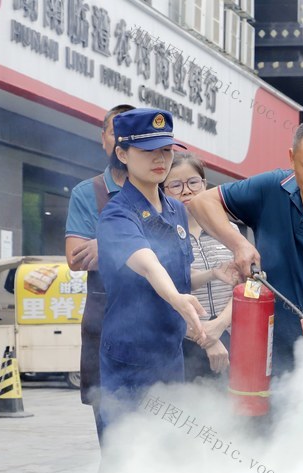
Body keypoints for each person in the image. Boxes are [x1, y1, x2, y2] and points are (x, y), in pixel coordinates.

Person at [189, 118, 303, 376]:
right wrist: (239, 244)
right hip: (266, 349)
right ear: (292, 158)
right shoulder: (271, 188)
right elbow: (201, 202)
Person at [96, 108, 209, 431]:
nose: (160, 159)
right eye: (148, 151)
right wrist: (177, 298)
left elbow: (179, 277)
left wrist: (216, 274)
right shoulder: (117, 214)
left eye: (166, 150)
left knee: (167, 453)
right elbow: (147, 262)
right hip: (130, 356)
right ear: (122, 153)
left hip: (170, 352)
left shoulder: (175, 208)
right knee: (129, 453)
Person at [65, 103, 135, 440]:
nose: (122, 140)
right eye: (115, 132)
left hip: (157, 324)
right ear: (104, 139)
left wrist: (104, 244)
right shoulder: (87, 192)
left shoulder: (163, 192)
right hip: (104, 323)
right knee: (111, 436)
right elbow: (77, 259)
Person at [163, 152, 233, 380]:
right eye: (175, 185)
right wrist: (206, 338)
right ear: (163, 191)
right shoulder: (163, 235)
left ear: (204, 184)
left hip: (232, 334)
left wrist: (220, 326)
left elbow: (246, 286)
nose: (186, 190)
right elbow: (168, 292)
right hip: (186, 342)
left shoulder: (228, 229)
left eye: (193, 182)